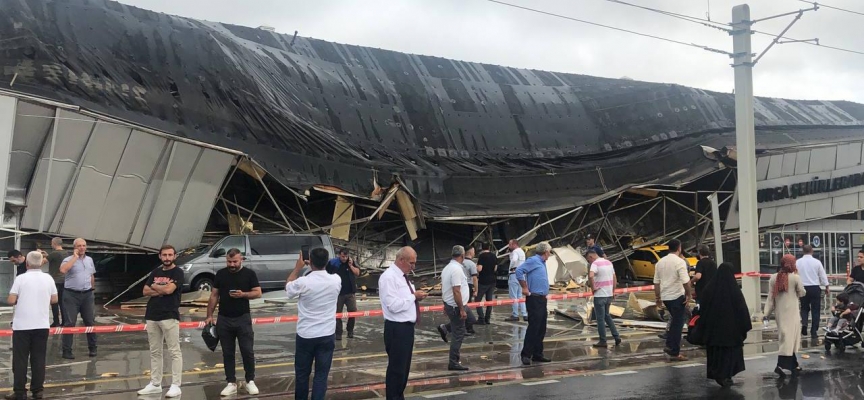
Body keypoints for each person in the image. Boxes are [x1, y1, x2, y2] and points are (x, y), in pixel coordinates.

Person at [205, 248, 262, 396]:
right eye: (229, 261)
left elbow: (258, 292)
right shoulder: (221, 274)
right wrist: (209, 315)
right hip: (224, 318)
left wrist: (243, 294)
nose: (232, 264)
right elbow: (214, 295)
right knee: (227, 352)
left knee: (247, 351)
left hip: (243, 317)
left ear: (241, 259)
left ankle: (250, 380)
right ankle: (231, 382)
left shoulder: (249, 274)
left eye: (235, 262)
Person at [286, 247, 342, 400]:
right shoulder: (336, 280)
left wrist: (297, 268)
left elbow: (288, 289)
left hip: (306, 334)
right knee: (321, 375)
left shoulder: (304, 282)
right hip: (327, 334)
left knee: (302, 374)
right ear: (327, 261)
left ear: (309, 262)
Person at [4, 251, 57, 400]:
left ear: (26, 263)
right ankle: (37, 391)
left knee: (20, 360)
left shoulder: (21, 278)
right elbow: (54, 299)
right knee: (38, 358)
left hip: (22, 326)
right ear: (41, 263)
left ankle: (20, 392)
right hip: (41, 324)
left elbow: (11, 300)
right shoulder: (48, 278)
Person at [379, 247, 428, 400]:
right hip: (396, 328)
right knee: (396, 370)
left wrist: (414, 296)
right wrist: (414, 297)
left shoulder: (402, 276)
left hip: (406, 328)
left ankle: (398, 396)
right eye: (411, 263)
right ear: (401, 260)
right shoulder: (389, 277)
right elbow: (393, 306)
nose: (413, 267)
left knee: (404, 369)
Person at [137, 245, 184, 398]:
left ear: (175, 256)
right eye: (164, 255)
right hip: (152, 315)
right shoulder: (155, 272)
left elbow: (169, 290)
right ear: (159, 256)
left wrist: (156, 287)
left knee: (174, 351)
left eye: (170, 255)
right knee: (155, 351)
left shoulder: (178, 272)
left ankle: (176, 384)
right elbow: (145, 291)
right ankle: (155, 384)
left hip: (169, 315)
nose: (167, 258)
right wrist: (161, 288)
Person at [699, 262, 752, 387]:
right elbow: (741, 310)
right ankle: (726, 375)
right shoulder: (733, 290)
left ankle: (718, 374)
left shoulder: (709, 289)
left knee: (716, 354)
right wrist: (744, 326)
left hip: (714, 332)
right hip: (731, 332)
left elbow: (703, 309)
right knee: (729, 354)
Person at [764, 254, 806, 377]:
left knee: (786, 338)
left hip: (780, 313)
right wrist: (797, 275)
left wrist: (766, 313)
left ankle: (794, 365)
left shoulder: (774, 278)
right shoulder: (795, 278)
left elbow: (770, 298)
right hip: (792, 313)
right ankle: (780, 365)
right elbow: (802, 293)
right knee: (790, 339)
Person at [653, 239, 691, 362]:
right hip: (677, 296)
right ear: (679, 248)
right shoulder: (680, 262)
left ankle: (670, 344)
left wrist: (658, 298)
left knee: (675, 321)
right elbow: (686, 281)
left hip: (666, 297)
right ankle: (674, 350)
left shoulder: (660, 262)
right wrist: (689, 294)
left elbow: (656, 282)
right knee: (679, 323)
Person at [59, 238, 97, 359]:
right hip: (71, 294)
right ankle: (67, 351)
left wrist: (92, 289)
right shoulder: (68, 260)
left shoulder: (89, 260)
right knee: (70, 322)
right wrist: (75, 258)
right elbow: (63, 270)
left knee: (90, 321)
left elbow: (91, 275)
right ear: (74, 247)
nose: (82, 248)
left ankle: (93, 348)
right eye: (79, 246)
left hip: (87, 294)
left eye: (84, 245)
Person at [516, 241, 552, 366]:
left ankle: (538, 353)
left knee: (541, 327)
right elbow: (519, 271)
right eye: (549, 252)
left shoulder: (542, 263)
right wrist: (524, 287)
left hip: (542, 298)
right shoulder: (533, 261)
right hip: (534, 298)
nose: (550, 255)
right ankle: (526, 354)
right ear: (546, 252)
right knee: (534, 327)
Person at [436, 246, 470, 371]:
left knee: (471, 319)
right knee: (458, 333)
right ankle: (453, 362)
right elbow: (456, 291)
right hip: (456, 306)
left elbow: (445, 288)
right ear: (462, 255)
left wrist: (445, 303)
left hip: (455, 304)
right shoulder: (456, 269)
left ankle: (445, 328)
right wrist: (461, 309)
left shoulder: (447, 268)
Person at [587, 248, 621, 348]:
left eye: (588, 260)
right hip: (608, 295)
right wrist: (613, 291)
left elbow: (591, 276)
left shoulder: (595, 264)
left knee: (600, 319)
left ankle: (603, 340)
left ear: (591, 256)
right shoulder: (609, 263)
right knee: (607, 315)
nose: (589, 261)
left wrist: (593, 288)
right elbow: (614, 278)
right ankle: (616, 336)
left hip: (600, 295)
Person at [327, 249, 360, 340]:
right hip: (338, 293)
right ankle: (338, 333)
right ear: (339, 255)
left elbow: (357, 273)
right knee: (337, 314)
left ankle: (350, 330)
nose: (344, 258)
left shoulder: (351, 261)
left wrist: (351, 266)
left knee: (352, 312)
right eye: (342, 256)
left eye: (346, 256)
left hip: (350, 292)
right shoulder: (333, 263)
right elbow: (327, 273)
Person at [796, 245, 828, 338]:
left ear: (803, 251)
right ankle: (814, 330)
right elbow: (822, 275)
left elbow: (795, 275)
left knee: (804, 308)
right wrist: (826, 286)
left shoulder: (798, 262)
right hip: (814, 287)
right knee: (815, 309)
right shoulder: (817, 262)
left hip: (803, 287)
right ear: (812, 251)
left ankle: (805, 324)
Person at [47, 238, 68, 327]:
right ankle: (65, 321)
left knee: (54, 302)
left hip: (55, 280)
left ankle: (56, 321)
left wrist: (40, 255)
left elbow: (42, 261)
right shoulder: (66, 253)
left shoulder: (54, 254)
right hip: (65, 280)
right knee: (62, 302)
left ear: (54, 243)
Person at [474, 243, 497, 325]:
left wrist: (475, 267)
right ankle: (488, 319)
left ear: (482, 248)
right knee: (489, 300)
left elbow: (479, 269)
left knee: (477, 300)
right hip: (492, 281)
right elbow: (495, 268)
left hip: (483, 281)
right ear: (489, 247)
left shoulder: (482, 256)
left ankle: (481, 318)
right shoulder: (494, 256)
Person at [505, 240, 528, 322]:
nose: (509, 246)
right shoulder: (522, 251)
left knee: (513, 296)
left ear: (514, 244)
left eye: (510, 244)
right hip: (521, 275)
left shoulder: (515, 252)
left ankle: (515, 314)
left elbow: (514, 260)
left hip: (514, 274)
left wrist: (510, 268)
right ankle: (525, 314)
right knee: (520, 296)